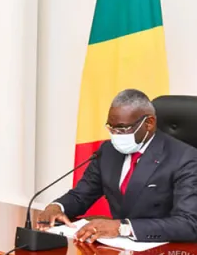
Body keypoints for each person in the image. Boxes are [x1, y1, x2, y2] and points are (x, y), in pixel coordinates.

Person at [36, 89, 197, 243]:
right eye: (110, 128)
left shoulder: (185, 158)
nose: (115, 135)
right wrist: (57, 207)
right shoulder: (108, 151)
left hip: (165, 253)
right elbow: (81, 195)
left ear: (149, 123)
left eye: (122, 128)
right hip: (118, 250)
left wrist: (123, 228)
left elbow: (189, 223)